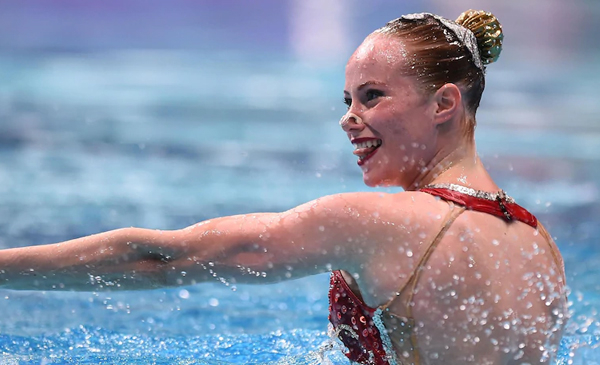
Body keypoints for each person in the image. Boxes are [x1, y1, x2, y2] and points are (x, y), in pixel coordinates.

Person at [0, 9, 567, 365]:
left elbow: (164, 259)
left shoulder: (385, 222)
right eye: (347, 100)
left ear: (444, 102)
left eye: (372, 96)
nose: (349, 118)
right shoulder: (540, 247)